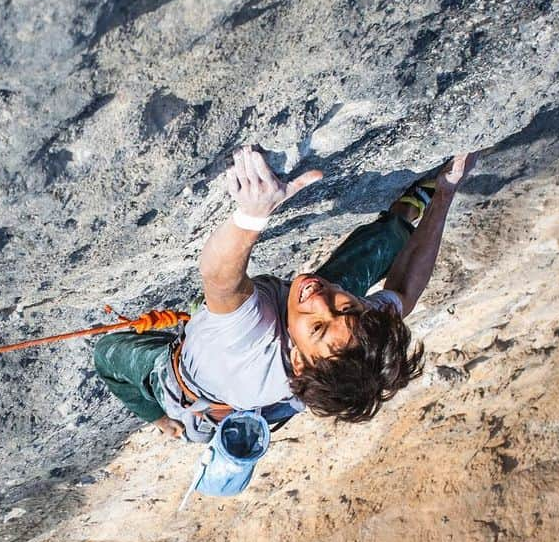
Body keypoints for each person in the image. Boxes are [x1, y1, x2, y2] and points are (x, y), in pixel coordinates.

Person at [94, 145, 477, 444]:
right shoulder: (351, 335)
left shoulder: (249, 340)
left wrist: (251, 215)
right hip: (270, 355)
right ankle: (407, 212)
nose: (319, 298)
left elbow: (219, 278)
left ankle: (158, 418)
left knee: (109, 354)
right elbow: (403, 292)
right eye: (344, 306)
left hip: (183, 381)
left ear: (298, 362)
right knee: (353, 270)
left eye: (317, 329)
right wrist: (445, 193)